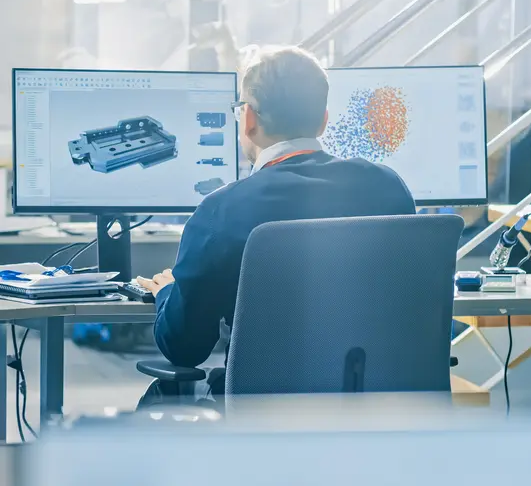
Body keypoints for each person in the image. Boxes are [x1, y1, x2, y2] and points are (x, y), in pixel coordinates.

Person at [137, 46, 416, 405]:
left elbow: (184, 347)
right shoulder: (388, 189)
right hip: (382, 409)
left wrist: (166, 294)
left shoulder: (222, 210)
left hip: (263, 417)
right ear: (323, 121)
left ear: (248, 119)